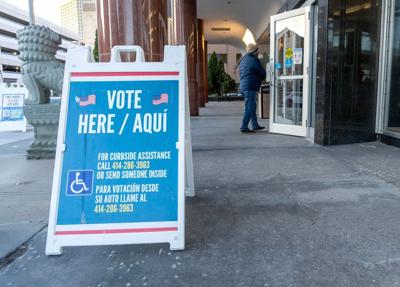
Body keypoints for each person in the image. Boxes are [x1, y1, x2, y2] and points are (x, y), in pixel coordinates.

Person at [238, 43, 266, 133]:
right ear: (255, 51)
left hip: (243, 86)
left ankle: (255, 125)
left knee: (252, 106)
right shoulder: (254, 60)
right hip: (250, 87)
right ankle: (244, 127)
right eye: (258, 50)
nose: (259, 52)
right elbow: (262, 72)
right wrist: (263, 75)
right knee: (249, 107)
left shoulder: (243, 60)